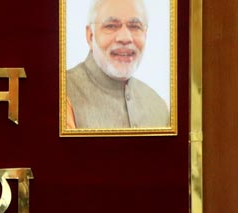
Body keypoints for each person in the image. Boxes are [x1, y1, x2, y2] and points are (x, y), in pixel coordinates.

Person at [65, 0, 169, 129]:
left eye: (135, 26)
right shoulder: (61, 92)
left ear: (145, 35)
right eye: (111, 26)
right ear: (90, 36)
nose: (125, 38)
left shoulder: (158, 106)